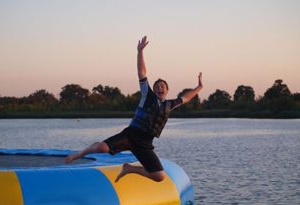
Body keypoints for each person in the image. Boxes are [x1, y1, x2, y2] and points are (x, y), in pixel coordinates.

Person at [65, 36, 203, 182]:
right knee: (102, 148)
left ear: (167, 90)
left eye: (162, 86)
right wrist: (140, 51)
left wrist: (199, 87)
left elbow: (186, 97)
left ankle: (129, 169)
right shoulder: (147, 95)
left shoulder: (170, 104)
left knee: (159, 176)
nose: (159, 88)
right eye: (156, 86)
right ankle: (79, 154)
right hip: (130, 135)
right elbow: (142, 73)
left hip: (146, 144)